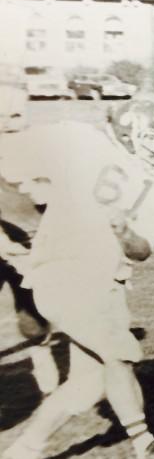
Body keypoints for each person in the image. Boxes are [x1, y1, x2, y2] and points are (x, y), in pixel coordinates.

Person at [0, 99, 154, 459]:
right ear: (127, 134)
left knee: (87, 384)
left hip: (107, 282)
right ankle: (146, 447)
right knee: (120, 350)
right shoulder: (82, 142)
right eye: (152, 139)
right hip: (63, 270)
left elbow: (143, 250)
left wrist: (124, 232)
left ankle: (22, 454)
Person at [0, 84, 59, 396]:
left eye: (17, 114)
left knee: (33, 309)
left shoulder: (38, 150)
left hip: (29, 241)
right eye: (3, 114)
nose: (10, 122)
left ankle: (42, 355)